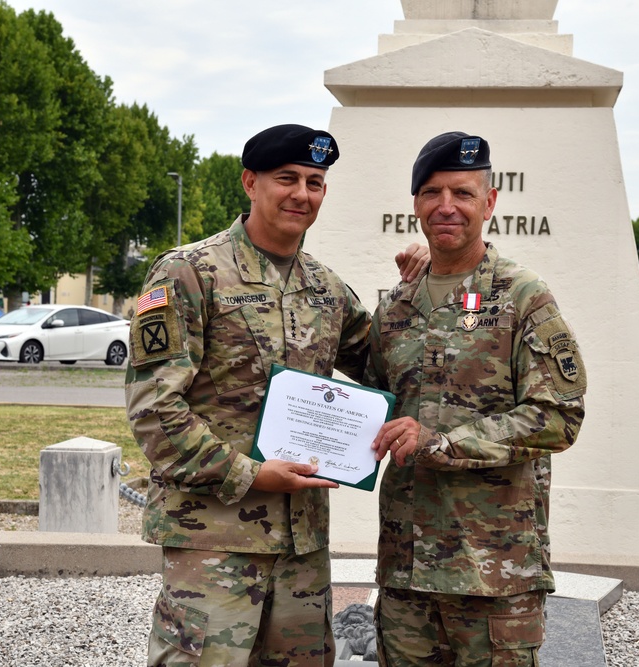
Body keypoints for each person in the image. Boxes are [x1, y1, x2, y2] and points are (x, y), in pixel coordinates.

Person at [124, 123, 426, 666]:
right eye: (286, 178)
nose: (301, 194)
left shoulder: (325, 288)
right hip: (213, 539)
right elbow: (154, 410)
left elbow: (387, 369)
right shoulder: (189, 273)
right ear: (249, 182)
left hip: (301, 546)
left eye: (314, 182)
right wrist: (250, 474)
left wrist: (420, 290)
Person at [363, 132, 588, 666]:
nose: (446, 206)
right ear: (415, 204)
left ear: (489, 202)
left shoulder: (520, 295)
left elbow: (558, 416)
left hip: (492, 573)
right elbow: (371, 400)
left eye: (462, 193)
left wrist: (442, 442)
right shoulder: (395, 309)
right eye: (432, 193)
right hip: (405, 572)